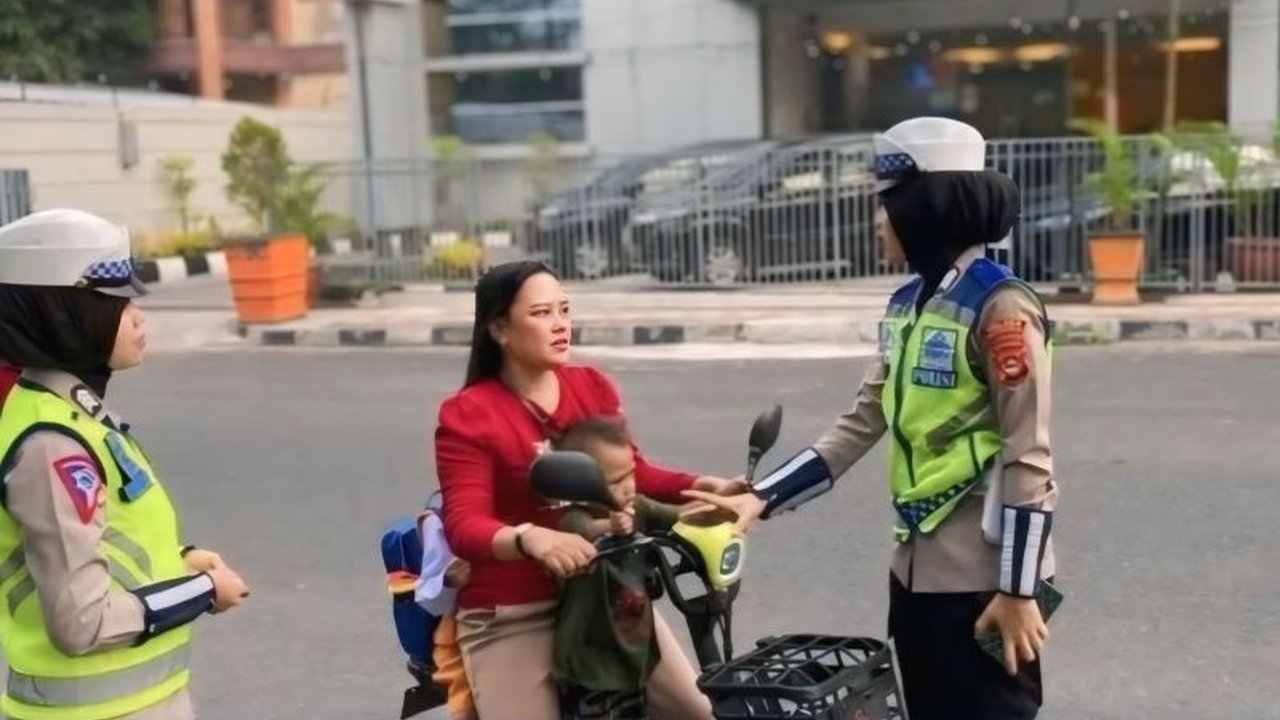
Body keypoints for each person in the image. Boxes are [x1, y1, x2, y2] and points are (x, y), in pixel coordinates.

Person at [683, 117, 1057, 720]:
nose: (879, 221)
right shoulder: (907, 304)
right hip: (914, 570)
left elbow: (1028, 454)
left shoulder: (1002, 307)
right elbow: (863, 419)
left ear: (924, 210)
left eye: (888, 206)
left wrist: (1017, 590)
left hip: (983, 580)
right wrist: (761, 497)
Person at [434, 260, 735, 720]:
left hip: (608, 598)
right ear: (499, 328)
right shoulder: (469, 414)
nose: (560, 325)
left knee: (697, 712)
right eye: (541, 314)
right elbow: (465, 525)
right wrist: (530, 537)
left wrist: (699, 486)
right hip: (516, 610)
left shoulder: (591, 387)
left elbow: (631, 471)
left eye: (564, 310)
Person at [0, 208, 250, 720]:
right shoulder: (53, 443)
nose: (138, 316)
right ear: (62, 312)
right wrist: (201, 592)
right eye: (116, 303)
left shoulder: (72, 413)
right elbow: (82, 623)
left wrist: (178, 560)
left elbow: (102, 537)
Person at [551, 416, 709, 718]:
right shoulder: (572, 519)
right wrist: (609, 526)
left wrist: (718, 513)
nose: (627, 488)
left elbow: (678, 518)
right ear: (580, 487)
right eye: (614, 482)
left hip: (632, 646)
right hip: (589, 656)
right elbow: (584, 529)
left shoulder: (639, 506)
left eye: (630, 476)